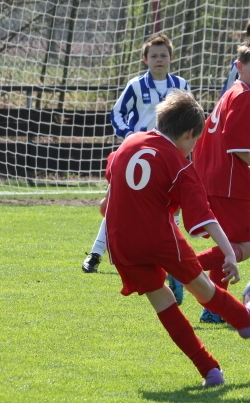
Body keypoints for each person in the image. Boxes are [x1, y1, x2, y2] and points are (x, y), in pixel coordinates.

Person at [104, 89, 250, 386]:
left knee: (162, 301)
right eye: (196, 141)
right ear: (189, 134)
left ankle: (210, 369)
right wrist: (229, 253)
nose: (194, 148)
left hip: (120, 241)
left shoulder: (129, 143)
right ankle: (245, 321)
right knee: (203, 288)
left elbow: (111, 186)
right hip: (158, 236)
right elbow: (204, 217)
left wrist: (109, 204)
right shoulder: (179, 164)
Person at [82, 33, 191, 275]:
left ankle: (173, 258)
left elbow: (190, 116)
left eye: (163, 55)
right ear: (145, 59)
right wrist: (130, 136)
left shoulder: (181, 85)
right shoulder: (136, 85)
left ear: (171, 58)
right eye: (154, 56)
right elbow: (117, 113)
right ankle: (96, 253)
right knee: (121, 204)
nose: (159, 59)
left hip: (169, 157)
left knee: (172, 207)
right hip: (139, 157)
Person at [192, 37, 250, 323]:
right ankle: (183, 270)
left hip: (215, 177)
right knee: (246, 247)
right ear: (239, 67)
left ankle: (212, 309)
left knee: (226, 244)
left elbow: (228, 143)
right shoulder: (243, 96)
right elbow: (236, 145)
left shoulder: (232, 92)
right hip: (227, 184)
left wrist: (249, 169)